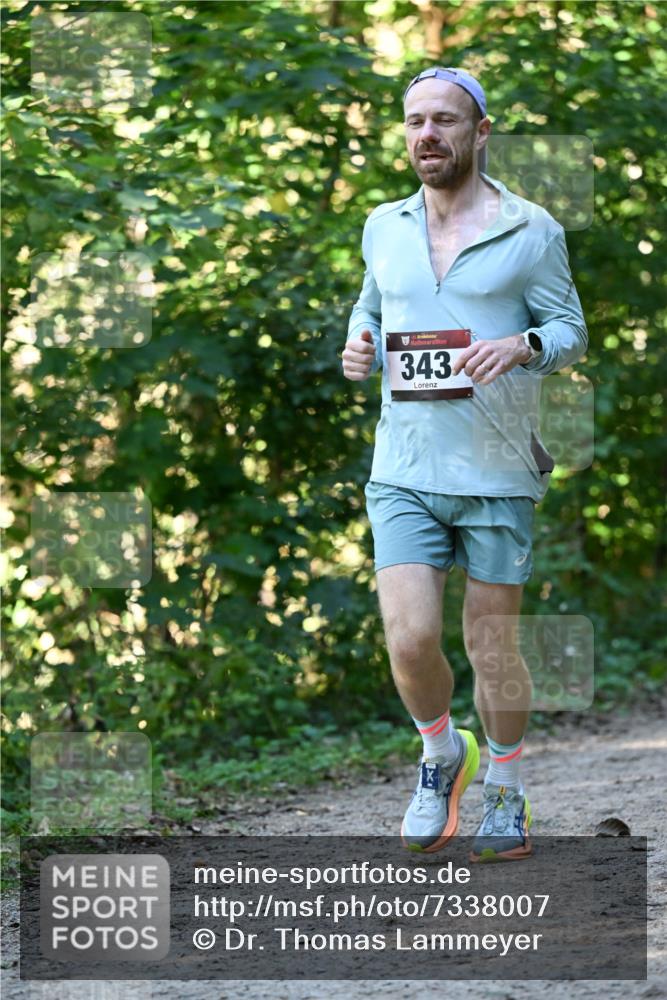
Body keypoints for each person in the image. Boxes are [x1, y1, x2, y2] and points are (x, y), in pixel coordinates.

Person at [342, 66, 587, 861]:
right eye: (415, 120)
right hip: (403, 466)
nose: (427, 134)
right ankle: (442, 752)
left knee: (491, 646)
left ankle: (506, 790)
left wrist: (522, 344)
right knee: (410, 639)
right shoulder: (382, 226)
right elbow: (372, 305)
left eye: (444, 120)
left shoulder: (530, 229)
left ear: (479, 132)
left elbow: (570, 330)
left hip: (496, 468)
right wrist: (359, 341)